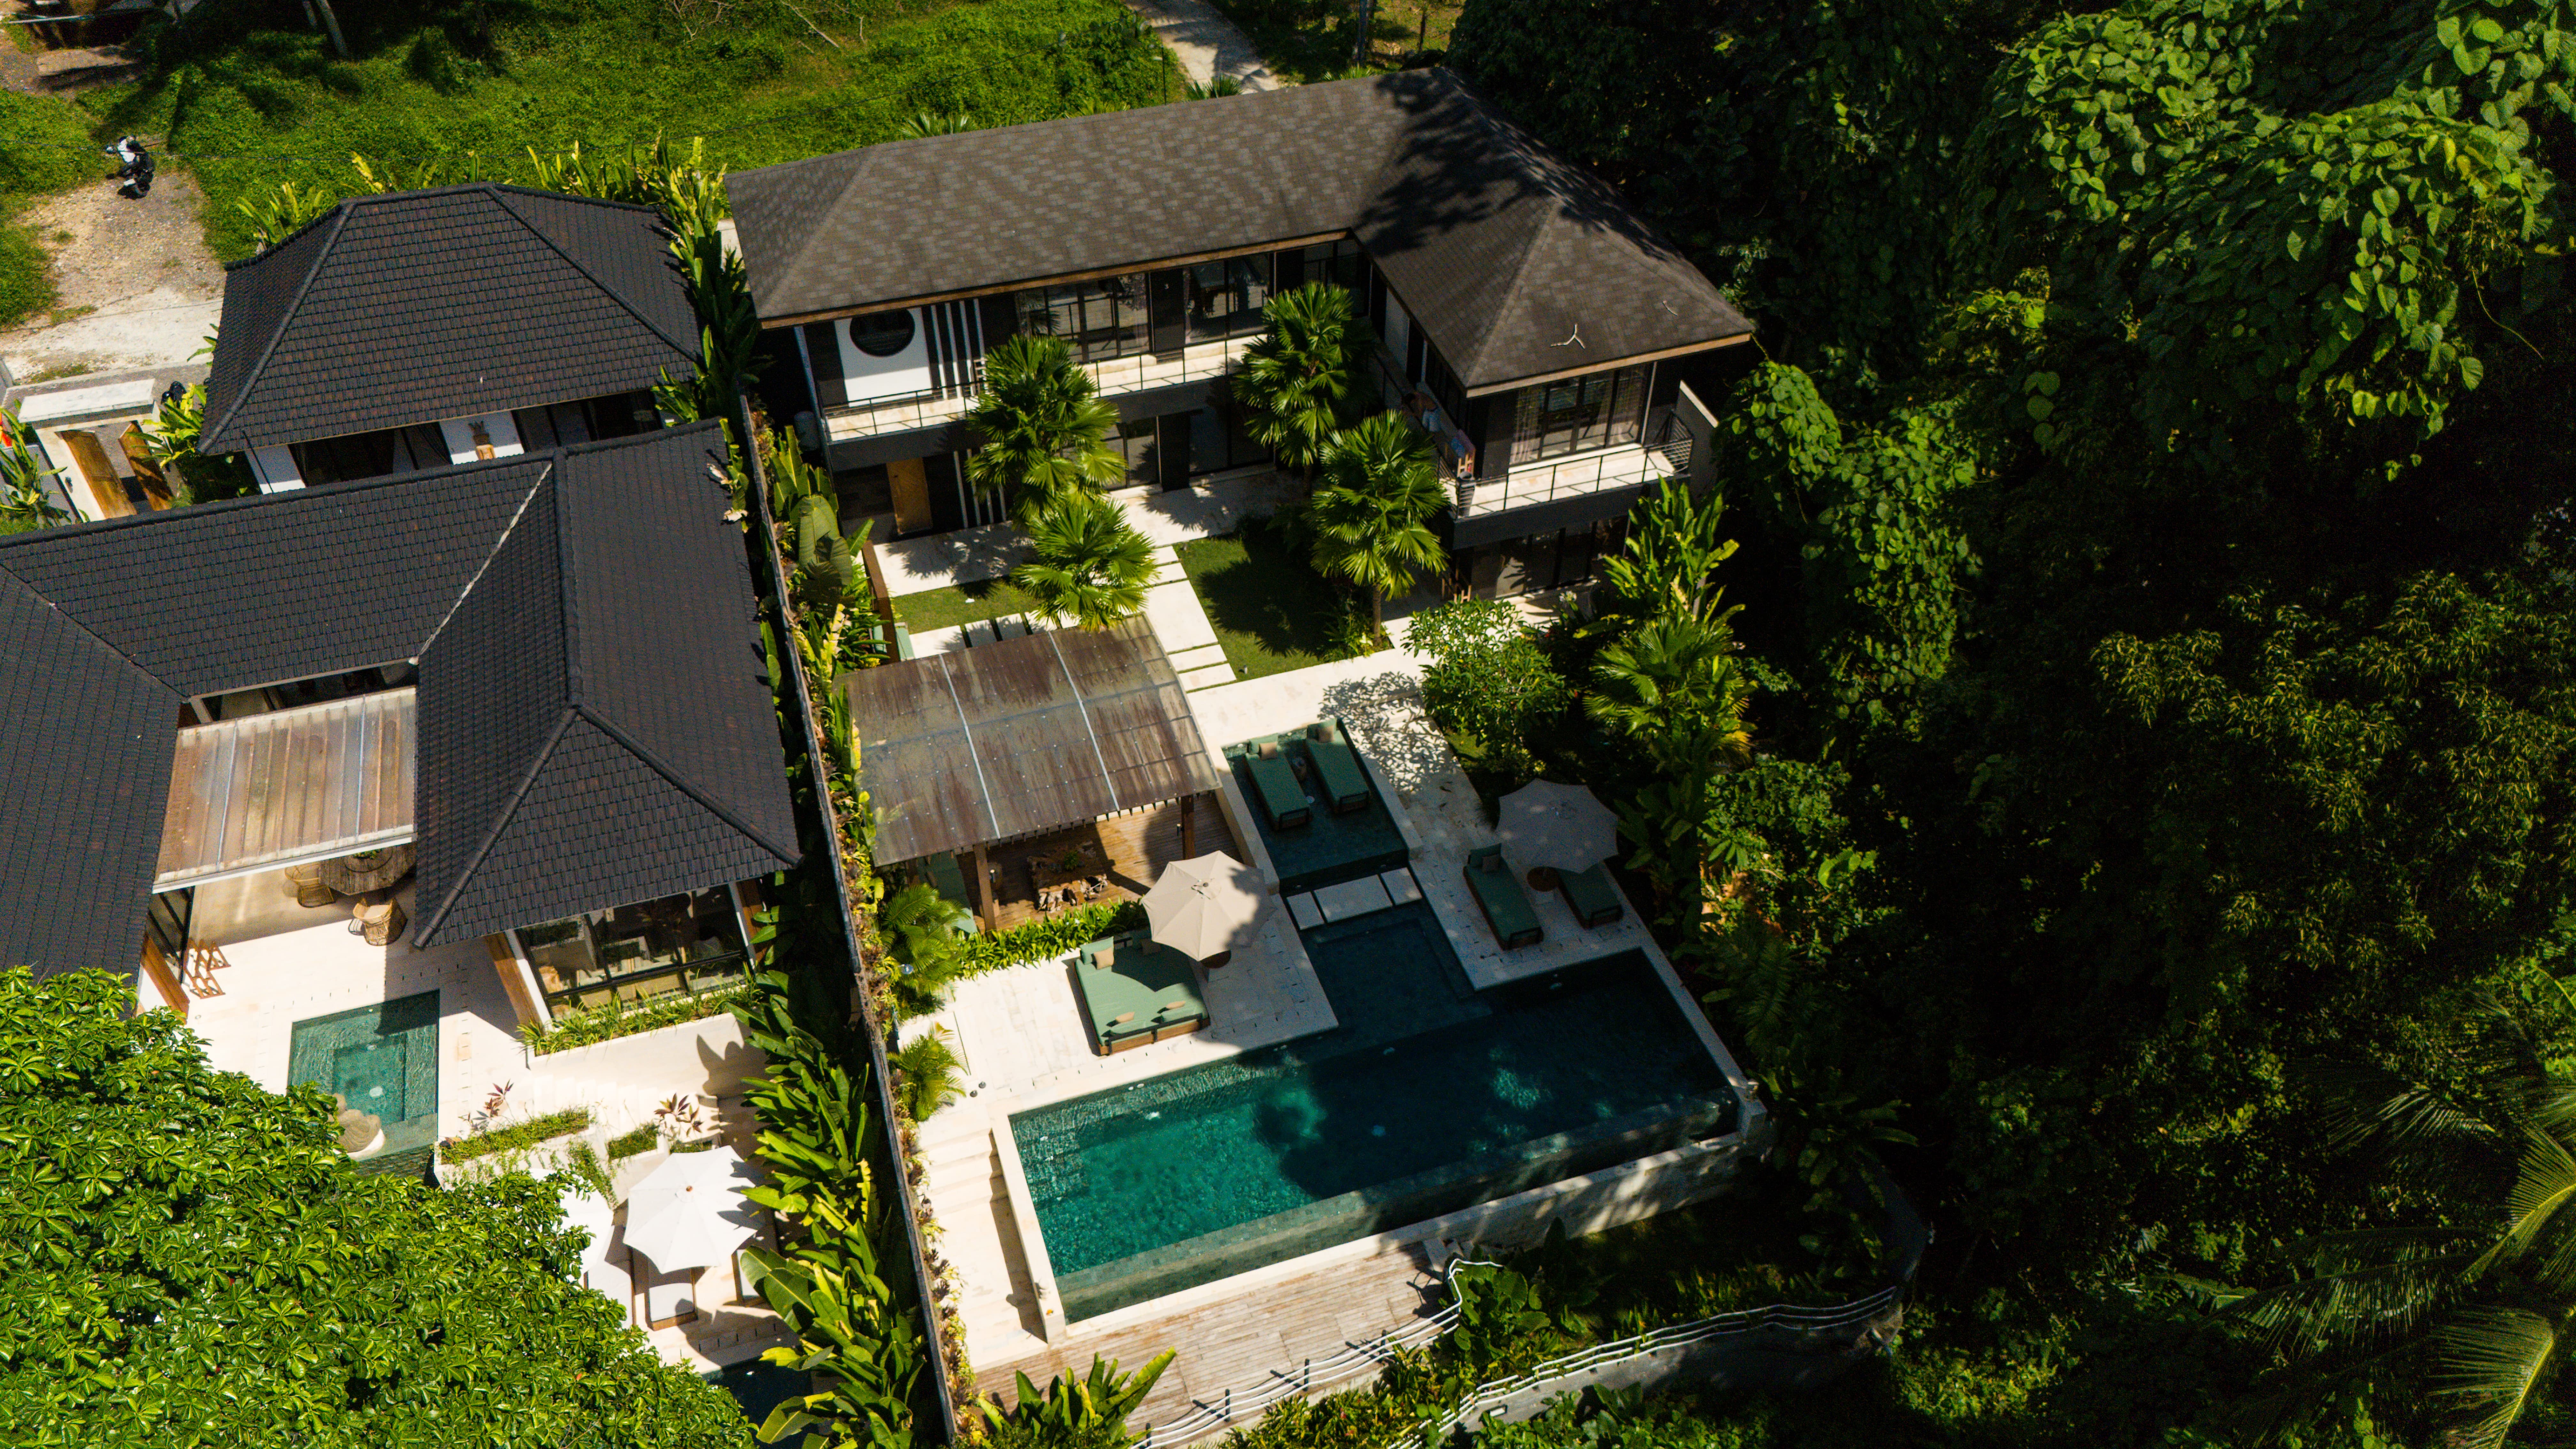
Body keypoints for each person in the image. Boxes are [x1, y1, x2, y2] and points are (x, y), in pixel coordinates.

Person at [108, 136, 153, 200]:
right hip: (134, 162)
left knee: (146, 166)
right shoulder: (127, 144)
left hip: (131, 163)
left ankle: (135, 181)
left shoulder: (120, 147)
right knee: (147, 167)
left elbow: (111, 150)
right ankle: (136, 181)